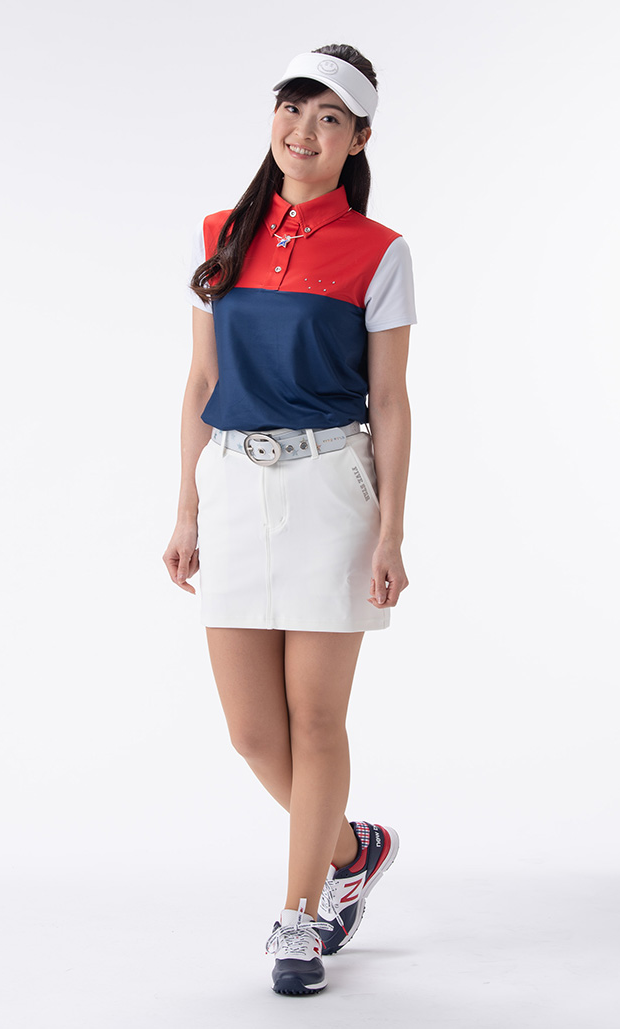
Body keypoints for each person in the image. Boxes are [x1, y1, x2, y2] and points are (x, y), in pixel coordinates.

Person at [162, 42, 416, 996]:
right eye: (293, 107)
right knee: (252, 732)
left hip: (328, 491)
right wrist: (185, 507)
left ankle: (300, 916)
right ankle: (354, 850)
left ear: (358, 140)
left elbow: (389, 400)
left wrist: (390, 531)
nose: (304, 130)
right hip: (231, 485)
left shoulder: (379, 252)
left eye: (329, 117)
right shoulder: (221, 232)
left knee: (314, 719)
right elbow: (201, 378)